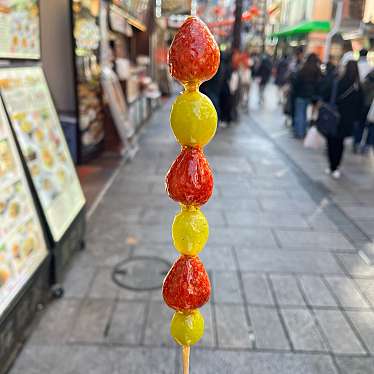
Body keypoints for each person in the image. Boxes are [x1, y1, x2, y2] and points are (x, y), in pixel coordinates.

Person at [321, 60, 363, 179]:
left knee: (331, 142)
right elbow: (361, 106)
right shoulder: (357, 87)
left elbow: (326, 95)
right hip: (347, 121)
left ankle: (331, 165)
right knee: (340, 143)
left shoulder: (337, 82)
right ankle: (336, 166)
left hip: (333, 117)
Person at [291, 53, 322, 138]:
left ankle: (299, 132)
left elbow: (296, 81)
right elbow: (319, 84)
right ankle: (303, 131)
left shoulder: (303, 69)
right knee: (305, 114)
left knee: (300, 114)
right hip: (311, 96)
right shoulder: (317, 70)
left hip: (300, 94)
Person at [353, 49, 373, 152]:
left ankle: (356, 142)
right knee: (367, 124)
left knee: (358, 121)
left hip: (359, 99)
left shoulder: (355, 66)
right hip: (369, 102)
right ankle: (365, 144)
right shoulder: (370, 68)